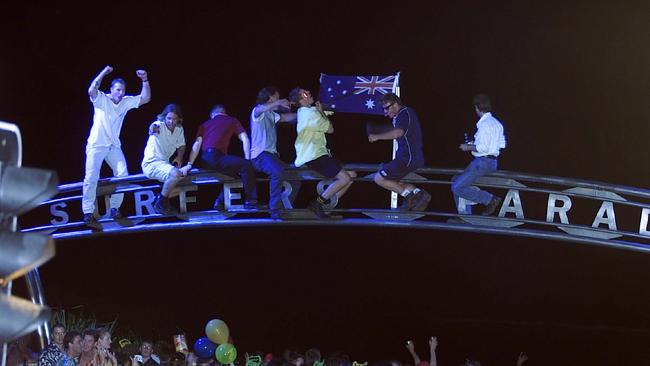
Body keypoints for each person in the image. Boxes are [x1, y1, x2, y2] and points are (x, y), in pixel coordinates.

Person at [82, 65, 151, 231]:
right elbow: (92, 89)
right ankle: (87, 212)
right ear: (111, 90)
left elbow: (146, 98)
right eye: (118, 90)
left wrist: (145, 80)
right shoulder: (101, 99)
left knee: (123, 175)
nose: (121, 93)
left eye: (123, 91)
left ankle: (114, 208)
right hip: (96, 145)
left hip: (113, 146)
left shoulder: (126, 102)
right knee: (91, 177)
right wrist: (104, 72)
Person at [289, 87, 356, 219]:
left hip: (320, 154)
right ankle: (317, 204)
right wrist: (321, 112)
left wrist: (349, 94)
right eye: (304, 93)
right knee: (345, 178)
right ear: (301, 100)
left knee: (352, 175)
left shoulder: (311, 110)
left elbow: (333, 108)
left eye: (307, 91)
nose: (308, 92)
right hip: (313, 155)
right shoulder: (307, 114)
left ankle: (327, 205)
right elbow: (330, 129)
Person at [185, 105, 260, 209]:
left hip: (205, 159)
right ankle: (251, 201)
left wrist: (189, 164)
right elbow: (245, 139)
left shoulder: (205, 124)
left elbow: (197, 144)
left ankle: (220, 202)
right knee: (246, 167)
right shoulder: (232, 120)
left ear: (212, 115)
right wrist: (247, 160)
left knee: (236, 177)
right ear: (225, 113)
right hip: (217, 158)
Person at [368, 93, 431, 211]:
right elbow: (395, 130)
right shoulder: (404, 114)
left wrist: (377, 137)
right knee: (394, 181)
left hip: (407, 158)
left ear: (396, 104)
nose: (385, 112)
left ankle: (409, 197)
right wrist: (376, 129)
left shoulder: (404, 113)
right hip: (412, 158)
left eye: (386, 108)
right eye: (383, 109)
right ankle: (419, 193)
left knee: (379, 179)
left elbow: (399, 132)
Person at [250, 86, 301, 219]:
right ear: (270, 97)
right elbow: (260, 109)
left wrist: (306, 113)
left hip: (271, 157)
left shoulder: (272, 115)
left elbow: (287, 117)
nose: (280, 100)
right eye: (277, 97)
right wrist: (278, 103)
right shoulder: (258, 111)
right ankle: (274, 209)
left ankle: (285, 207)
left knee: (295, 177)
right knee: (277, 171)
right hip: (260, 156)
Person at [451, 94, 505, 216]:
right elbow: (501, 144)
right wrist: (474, 144)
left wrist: (468, 147)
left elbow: (483, 148)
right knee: (456, 180)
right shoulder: (497, 123)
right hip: (492, 161)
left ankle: (490, 199)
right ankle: (464, 214)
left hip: (483, 162)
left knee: (456, 187)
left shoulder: (484, 124)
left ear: (477, 108)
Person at [141, 104, 189, 215]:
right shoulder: (159, 125)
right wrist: (153, 129)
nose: (171, 122)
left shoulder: (179, 129)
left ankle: (159, 198)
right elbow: (153, 126)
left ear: (179, 120)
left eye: (174, 119)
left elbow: (181, 145)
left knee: (185, 183)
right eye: (169, 118)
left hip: (164, 164)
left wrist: (179, 157)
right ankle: (161, 204)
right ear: (164, 117)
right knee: (176, 174)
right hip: (152, 164)